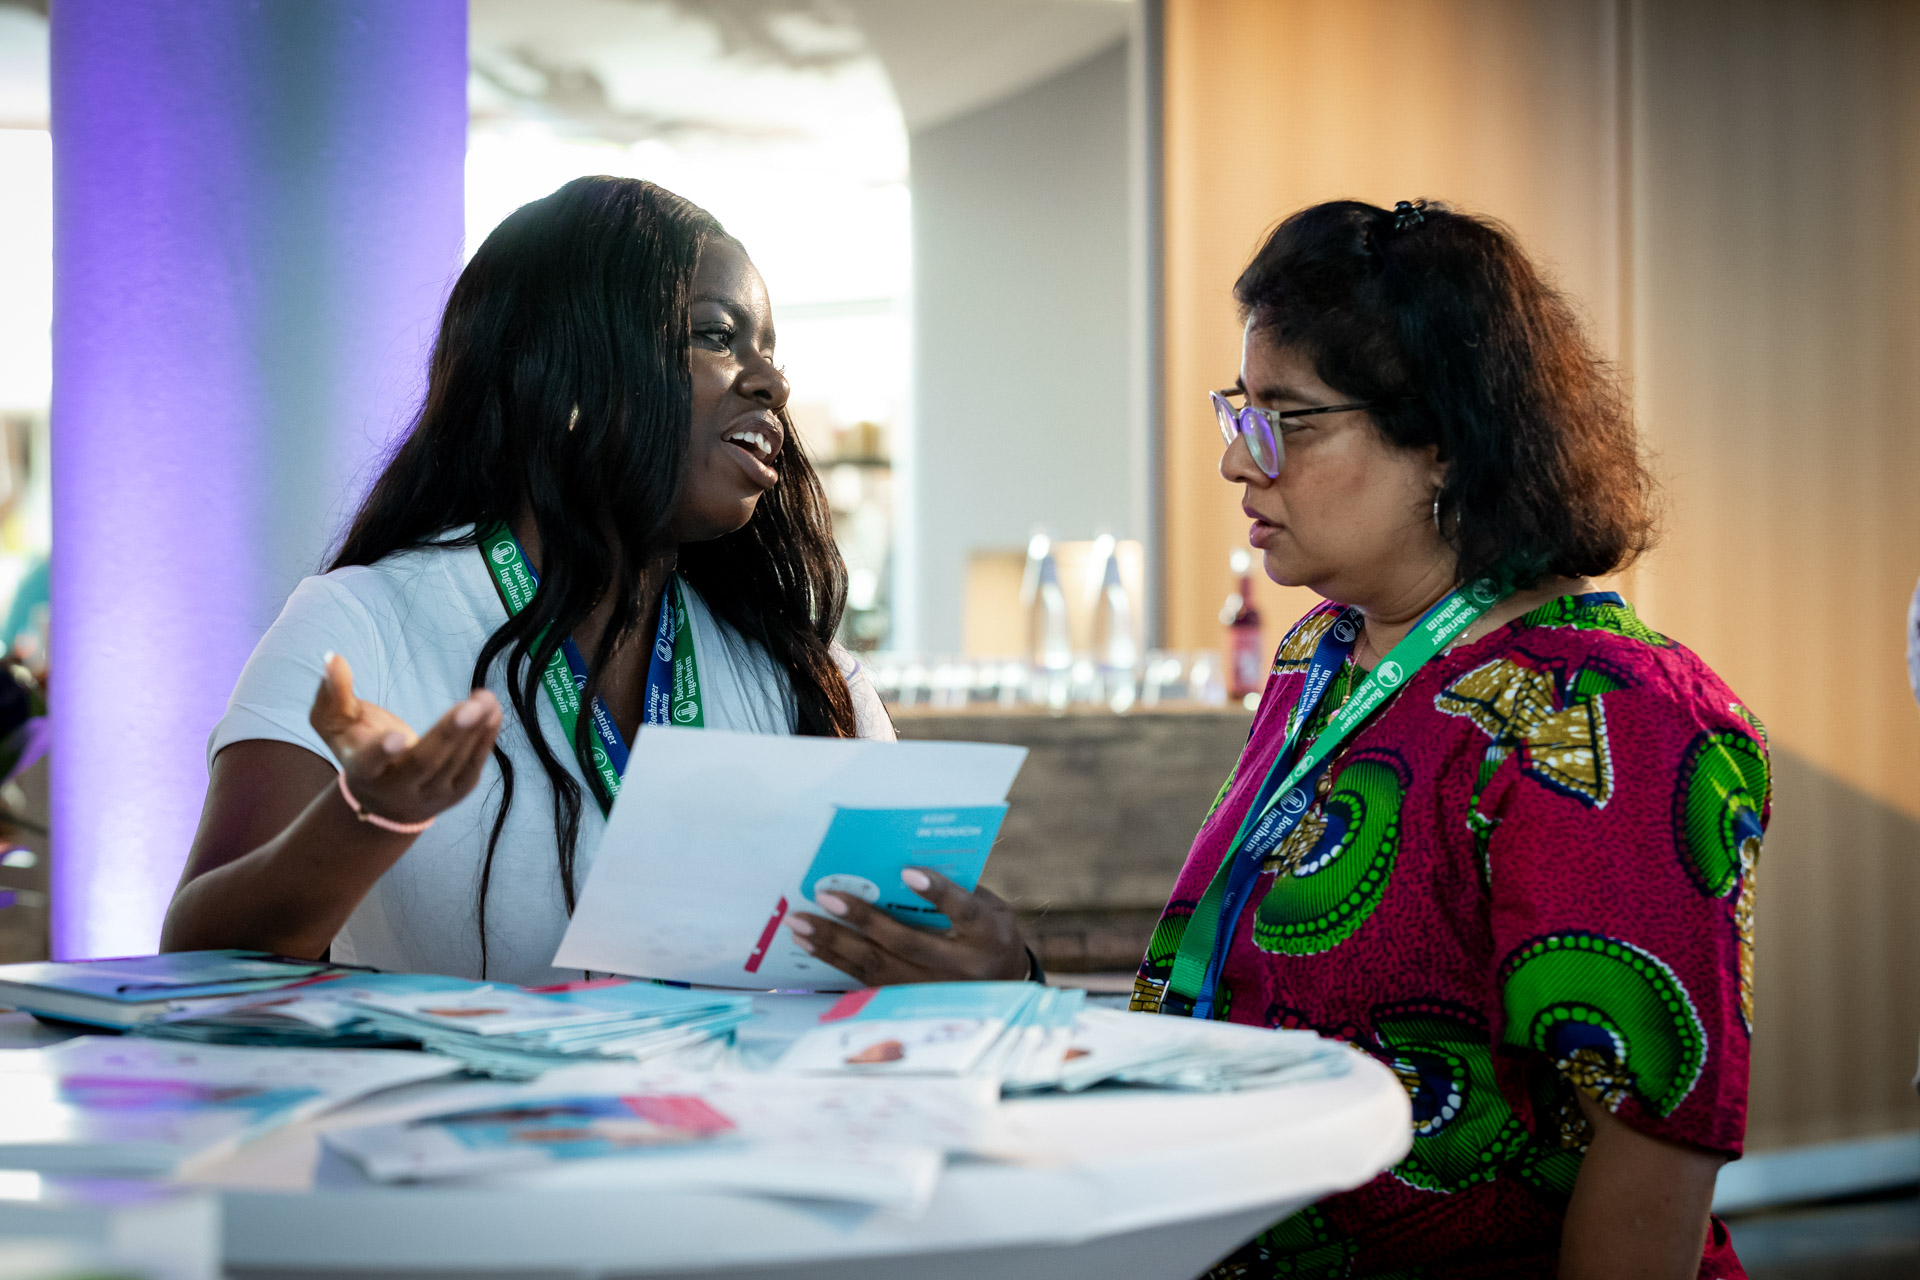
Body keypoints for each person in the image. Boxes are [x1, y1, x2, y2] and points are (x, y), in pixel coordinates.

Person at [163, 177, 1015, 986]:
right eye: (716, 336)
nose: (772, 381)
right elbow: (200, 960)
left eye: (768, 350)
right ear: (568, 371)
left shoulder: (806, 677)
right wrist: (370, 814)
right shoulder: (360, 628)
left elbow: (899, 985)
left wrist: (1000, 968)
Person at [1131, 200, 1765, 1278]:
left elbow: (1650, 1143)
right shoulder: (1324, 653)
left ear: (1442, 445)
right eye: (1241, 409)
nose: (1240, 460)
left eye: (1289, 418)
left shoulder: (1613, 713)